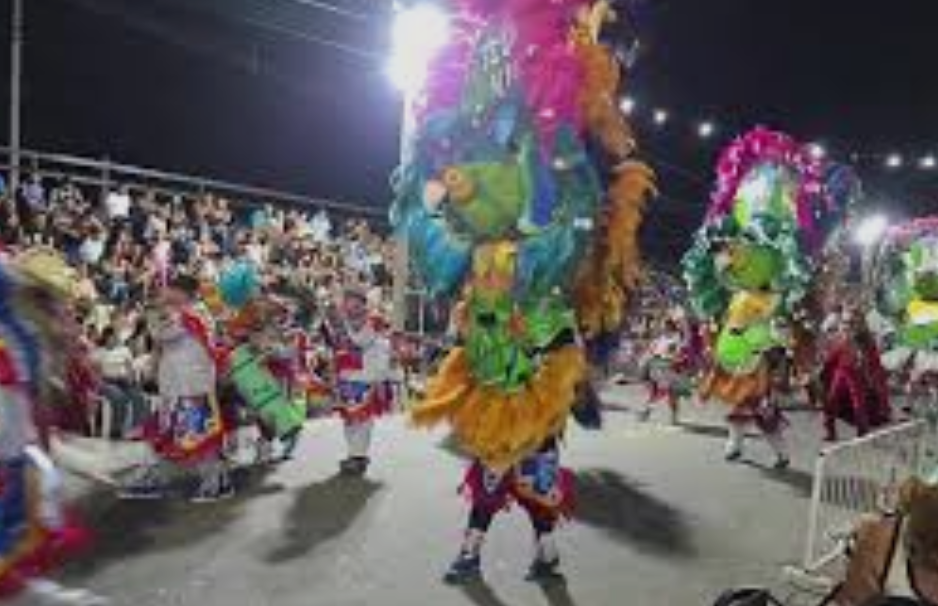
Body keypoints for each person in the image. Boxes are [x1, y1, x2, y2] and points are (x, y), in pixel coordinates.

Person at [119, 275, 233, 502]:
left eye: (171, 290)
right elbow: (162, 338)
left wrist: (154, 310)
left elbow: (160, 333)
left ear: (182, 292)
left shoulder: (188, 314)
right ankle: (154, 479)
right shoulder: (192, 312)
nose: (166, 293)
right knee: (167, 434)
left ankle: (216, 483)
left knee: (198, 436)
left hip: (190, 385)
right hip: (181, 384)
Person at [325, 286, 392, 476]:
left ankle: (359, 456)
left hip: (367, 376)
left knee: (362, 420)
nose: (350, 307)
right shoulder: (345, 323)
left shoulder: (373, 321)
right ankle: (353, 454)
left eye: (355, 303)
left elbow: (362, 340)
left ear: (363, 304)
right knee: (349, 420)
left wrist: (343, 326)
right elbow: (338, 346)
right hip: (348, 378)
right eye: (347, 303)